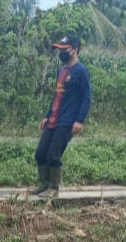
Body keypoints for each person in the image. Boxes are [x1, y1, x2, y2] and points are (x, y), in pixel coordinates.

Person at [32, 35, 91, 199]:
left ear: (75, 49)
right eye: (60, 49)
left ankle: (54, 187)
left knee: (53, 154)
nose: (62, 52)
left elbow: (86, 98)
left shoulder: (81, 72)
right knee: (40, 153)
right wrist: (47, 115)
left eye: (65, 49)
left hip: (67, 120)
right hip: (54, 119)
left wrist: (80, 120)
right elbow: (56, 97)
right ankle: (43, 184)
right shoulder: (62, 70)